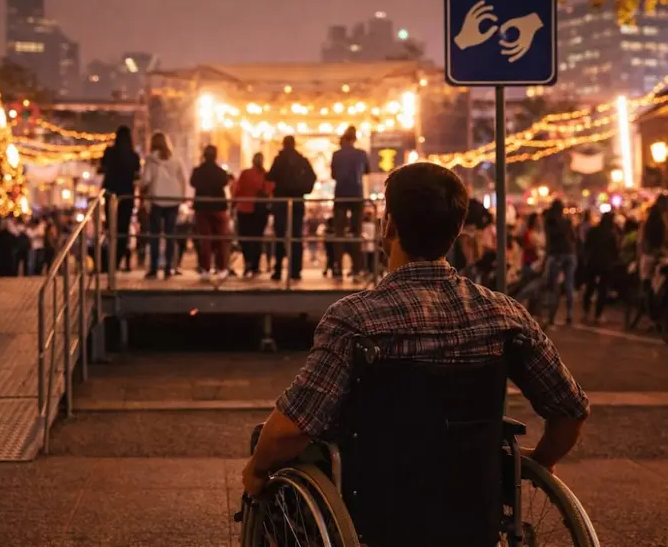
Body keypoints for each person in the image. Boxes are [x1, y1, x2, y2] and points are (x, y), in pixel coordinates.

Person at [243, 163, 589, 535]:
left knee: (267, 443)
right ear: (456, 232)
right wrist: (541, 462)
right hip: (473, 509)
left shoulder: (355, 319)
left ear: (389, 226)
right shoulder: (505, 316)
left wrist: (257, 469)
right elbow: (570, 409)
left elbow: (289, 430)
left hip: (376, 513)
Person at [267, 135, 317, 281]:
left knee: (280, 236)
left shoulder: (279, 160)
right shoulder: (302, 160)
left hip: (281, 201)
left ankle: (277, 270)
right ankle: (295, 271)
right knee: (296, 236)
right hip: (297, 201)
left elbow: (270, 176)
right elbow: (312, 176)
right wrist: (304, 189)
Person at [140, 132, 187, 279]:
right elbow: (183, 178)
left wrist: (141, 191)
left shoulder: (151, 159)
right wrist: (182, 196)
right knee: (170, 234)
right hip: (173, 199)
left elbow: (145, 180)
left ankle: (153, 268)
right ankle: (169, 268)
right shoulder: (176, 159)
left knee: (155, 235)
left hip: (157, 199)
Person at [99, 125, 141, 271]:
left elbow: (102, 167)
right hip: (127, 195)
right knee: (123, 229)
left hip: (111, 194)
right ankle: (117, 261)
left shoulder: (109, 152)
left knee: (111, 227)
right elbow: (137, 174)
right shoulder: (134, 156)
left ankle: (109, 261)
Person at [330, 126, 369, 279]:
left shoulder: (336, 155)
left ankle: (338, 266)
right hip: (357, 195)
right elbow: (366, 170)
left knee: (339, 232)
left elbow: (333, 175)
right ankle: (357, 267)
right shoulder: (361, 154)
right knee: (356, 232)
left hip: (340, 195)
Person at [190, 145, 231, 280]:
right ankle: (221, 268)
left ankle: (206, 268)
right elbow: (225, 182)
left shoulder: (197, 171)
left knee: (205, 239)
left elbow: (192, 182)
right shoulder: (220, 172)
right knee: (220, 238)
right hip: (218, 207)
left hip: (202, 207)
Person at [233, 152, 274, 277]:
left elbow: (237, 190)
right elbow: (270, 190)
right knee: (257, 238)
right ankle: (255, 266)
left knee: (245, 238)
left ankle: (248, 263)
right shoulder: (266, 176)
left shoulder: (245, 173)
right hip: (259, 211)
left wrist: (233, 204)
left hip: (244, 209)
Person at [582, 212, 619, 324]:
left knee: (590, 287)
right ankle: (597, 315)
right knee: (602, 290)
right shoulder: (611, 234)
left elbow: (586, 245)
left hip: (592, 262)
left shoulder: (593, 231)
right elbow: (615, 251)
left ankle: (586, 312)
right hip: (606, 264)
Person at [545, 199, 577, 326]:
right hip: (570, 254)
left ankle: (551, 317)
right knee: (569, 285)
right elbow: (574, 237)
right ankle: (569, 315)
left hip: (556, 255)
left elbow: (548, 242)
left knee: (554, 286)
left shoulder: (550, 222)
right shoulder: (567, 222)